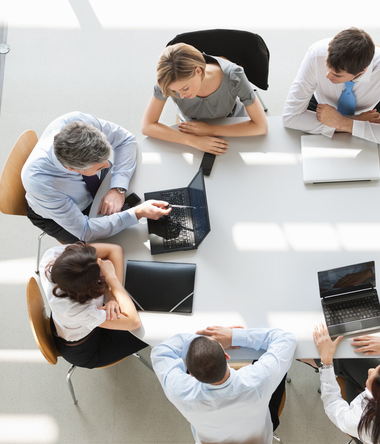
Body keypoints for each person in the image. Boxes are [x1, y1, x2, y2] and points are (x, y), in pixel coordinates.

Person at [22, 111, 171, 243]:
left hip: (87, 183)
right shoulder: (41, 184)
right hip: (66, 213)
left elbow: (125, 140)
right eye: (100, 167)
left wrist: (118, 188)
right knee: (119, 243)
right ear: (72, 169)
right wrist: (137, 213)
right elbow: (85, 230)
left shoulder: (77, 123)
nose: (108, 166)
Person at [151, 326, 296, 444]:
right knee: (274, 372)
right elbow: (286, 339)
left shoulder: (181, 392)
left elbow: (160, 351)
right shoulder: (257, 380)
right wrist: (232, 336)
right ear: (227, 356)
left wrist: (202, 339)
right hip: (259, 442)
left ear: (191, 374)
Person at [282, 27, 380, 149]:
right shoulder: (316, 54)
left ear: (362, 71)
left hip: (369, 110)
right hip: (322, 107)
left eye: (337, 74)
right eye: (327, 68)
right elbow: (290, 117)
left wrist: (344, 123)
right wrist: (357, 122)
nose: (327, 76)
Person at [141, 43, 268, 156]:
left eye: (185, 88)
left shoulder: (234, 75)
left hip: (232, 122)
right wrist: (192, 140)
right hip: (191, 129)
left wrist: (210, 129)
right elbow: (147, 126)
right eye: (174, 91)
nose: (181, 96)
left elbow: (261, 126)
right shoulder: (168, 81)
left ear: (198, 70)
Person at [39, 242, 148, 368]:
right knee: (150, 326)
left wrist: (112, 297)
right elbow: (133, 322)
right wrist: (111, 278)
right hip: (86, 350)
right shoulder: (78, 310)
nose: (101, 261)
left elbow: (114, 250)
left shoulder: (52, 259)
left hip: (72, 325)